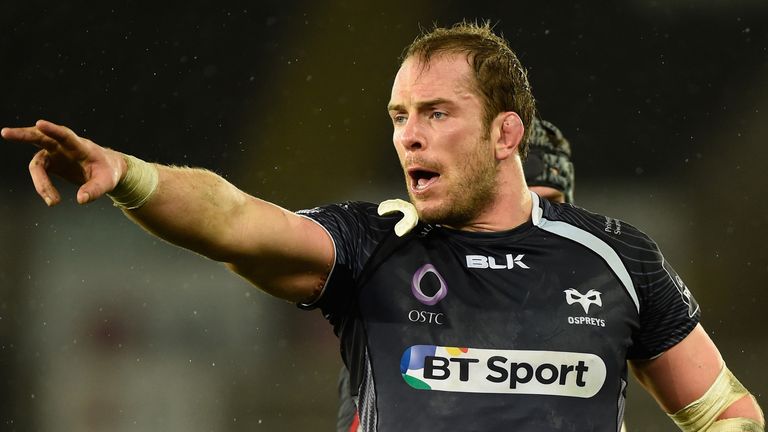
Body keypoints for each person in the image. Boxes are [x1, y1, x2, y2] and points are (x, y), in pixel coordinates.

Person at [2, 21, 763, 431]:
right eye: (400, 116)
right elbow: (231, 219)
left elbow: (725, 411)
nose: (408, 136)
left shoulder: (618, 258)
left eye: (435, 113)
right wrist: (131, 174)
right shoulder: (373, 245)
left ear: (506, 134)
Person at [336, 115, 577, 432]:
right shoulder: (405, 312)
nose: (529, 226)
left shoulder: (591, 315)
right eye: (514, 207)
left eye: (547, 206)